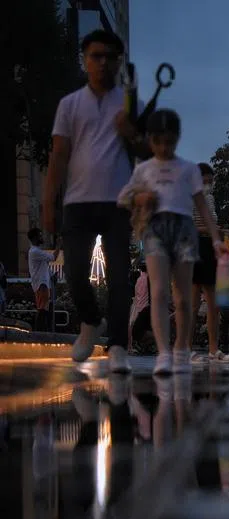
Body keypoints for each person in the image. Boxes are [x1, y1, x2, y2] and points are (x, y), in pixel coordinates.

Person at [42, 29, 136, 372]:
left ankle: (118, 346)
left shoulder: (129, 103)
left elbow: (147, 154)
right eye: (96, 56)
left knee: (119, 277)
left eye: (110, 57)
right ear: (85, 60)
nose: (103, 62)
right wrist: (48, 202)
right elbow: (58, 156)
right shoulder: (70, 105)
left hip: (118, 201)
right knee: (77, 272)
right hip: (78, 201)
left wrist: (132, 133)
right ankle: (90, 320)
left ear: (118, 61)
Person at [118, 109, 229, 376]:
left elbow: (203, 206)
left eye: (170, 141)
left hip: (184, 232)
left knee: (182, 297)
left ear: (177, 139)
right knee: (158, 292)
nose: (165, 148)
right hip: (155, 230)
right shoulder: (143, 170)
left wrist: (216, 240)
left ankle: (181, 347)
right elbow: (123, 198)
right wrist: (139, 200)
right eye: (159, 142)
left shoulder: (188, 169)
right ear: (151, 140)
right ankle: (164, 353)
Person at [190, 163, 229, 364]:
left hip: (210, 247)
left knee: (214, 304)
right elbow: (189, 226)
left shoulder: (211, 198)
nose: (207, 185)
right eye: (204, 181)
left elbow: (210, 223)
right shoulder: (191, 197)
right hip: (195, 246)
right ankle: (186, 348)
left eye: (210, 181)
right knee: (192, 302)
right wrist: (211, 231)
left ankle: (213, 349)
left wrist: (219, 232)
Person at [27, 228, 58, 332]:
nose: (42, 237)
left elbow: (45, 267)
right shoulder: (35, 251)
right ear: (35, 238)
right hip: (41, 284)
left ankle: (42, 331)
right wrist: (59, 245)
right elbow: (53, 257)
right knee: (42, 309)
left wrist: (52, 275)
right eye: (40, 235)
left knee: (44, 308)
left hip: (44, 283)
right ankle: (39, 333)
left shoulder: (36, 251)